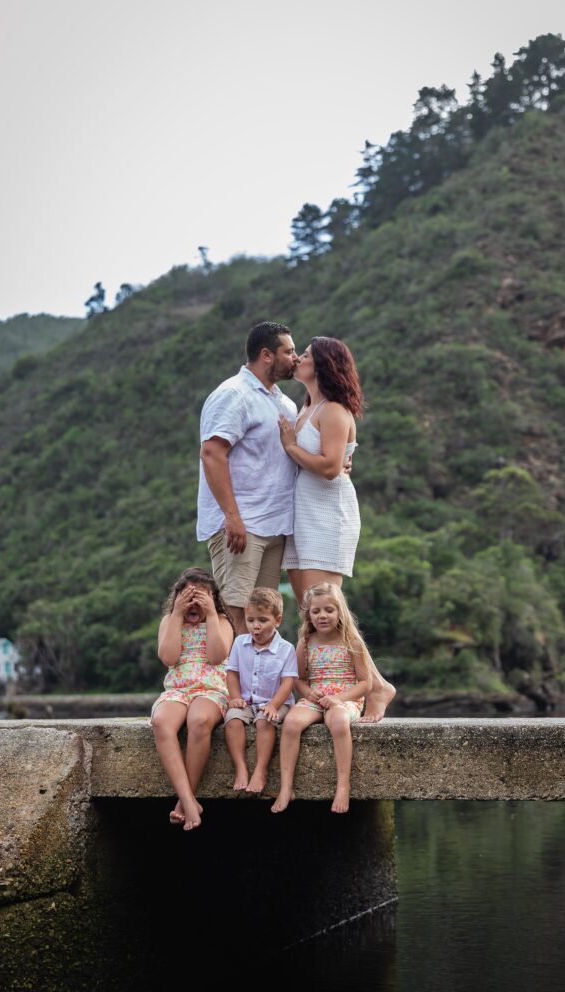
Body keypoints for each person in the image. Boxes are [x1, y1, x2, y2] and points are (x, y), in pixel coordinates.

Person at [278, 336, 395, 723]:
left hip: (328, 517)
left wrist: (291, 446)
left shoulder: (334, 410)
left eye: (306, 355)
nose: (298, 358)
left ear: (324, 365)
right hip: (302, 517)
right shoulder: (305, 407)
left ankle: (375, 687)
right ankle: (328, 688)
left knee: (329, 609)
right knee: (310, 612)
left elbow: (330, 468)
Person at [197, 322, 299, 636]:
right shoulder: (234, 394)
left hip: (275, 526)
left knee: (262, 620)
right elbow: (212, 453)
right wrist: (232, 516)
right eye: (289, 351)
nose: (295, 358)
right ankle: (229, 673)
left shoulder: (284, 403)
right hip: (242, 526)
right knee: (237, 617)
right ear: (266, 355)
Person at [271, 583, 371, 815]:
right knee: (291, 723)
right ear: (309, 615)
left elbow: (365, 683)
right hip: (315, 698)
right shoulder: (306, 642)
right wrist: (308, 693)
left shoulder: (352, 641)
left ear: (340, 611)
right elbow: (298, 679)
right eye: (316, 611)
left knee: (338, 722)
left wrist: (339, 699)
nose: (322, 615)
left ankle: (343, 786)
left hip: (344, 698)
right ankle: (286, 787)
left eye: (329, 610)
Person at [151, 568, 234, 830]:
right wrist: (177, 614)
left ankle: (183, 803)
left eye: (201, 597)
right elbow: (169, 657)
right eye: (188, 597)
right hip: (177, 689)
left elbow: (217, 657)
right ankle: (189, 801)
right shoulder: (169, 620)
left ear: (213, 598)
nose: (194, 604)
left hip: (211, 688)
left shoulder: (222, 621)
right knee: (161, 722)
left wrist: (211, 615)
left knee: (198, 721)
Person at [224, 587, 298, 794]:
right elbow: (232, 673)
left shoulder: (286, 649)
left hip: (277, 702)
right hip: (246, 701)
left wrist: (273, 705)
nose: (255, 626)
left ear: (277, 620)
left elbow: (288, 683)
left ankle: (260, 769)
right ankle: (240, 767)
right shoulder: (239, 643)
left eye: (263, 620)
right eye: (250, 620)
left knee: (264, 721)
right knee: (232, 719)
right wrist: (235, 697)